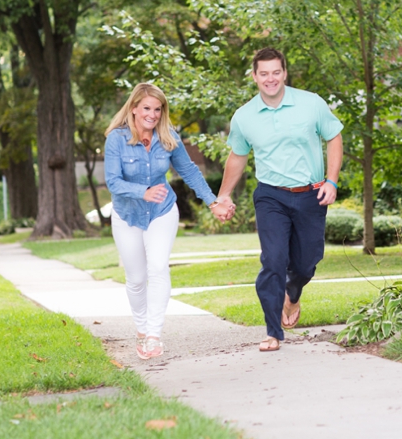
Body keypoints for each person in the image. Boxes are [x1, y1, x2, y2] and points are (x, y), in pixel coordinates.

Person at [217, 48, 343, 352]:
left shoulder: (311, 103)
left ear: (284, 73)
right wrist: (224, 194)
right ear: (254, 76)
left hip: (311, 193)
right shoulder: (244, 116)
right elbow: (237, 156)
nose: (270, 79)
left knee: (307, 262)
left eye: (276, 72)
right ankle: (273, 331)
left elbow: (334, 136)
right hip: (271, 195)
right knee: (273, 261)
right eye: (264, 73)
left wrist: (332, 180)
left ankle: (293, 293)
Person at [104, 83, 234, 360]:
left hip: (162, 211)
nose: (152, 114)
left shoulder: (168, 137)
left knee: (159, 267)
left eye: (158, 109)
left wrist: (212, 202)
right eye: (147, 108)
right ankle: (141, 329)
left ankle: (153, 335)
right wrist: (143, 192)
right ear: (135, 108)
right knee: (136, 279)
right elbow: (113, 182)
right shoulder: (117, 139)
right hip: (127, 215)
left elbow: (189, 171)